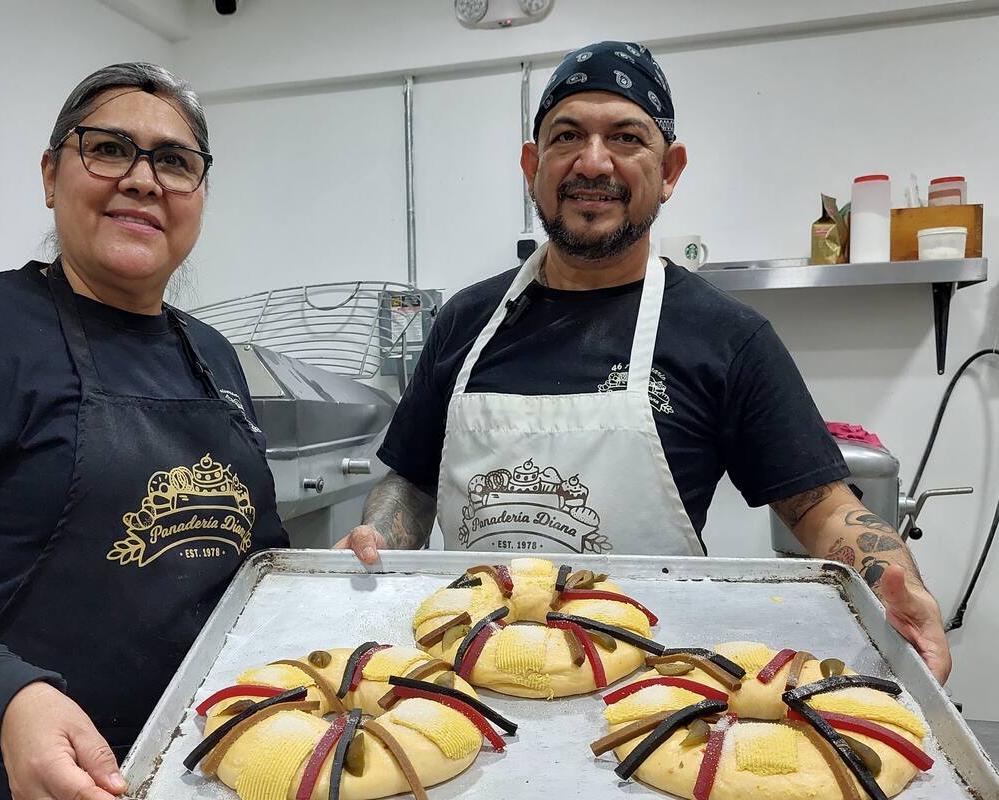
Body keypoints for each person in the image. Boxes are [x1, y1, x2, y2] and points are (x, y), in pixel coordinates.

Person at [335, 41, 950, 683]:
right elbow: (411, 479)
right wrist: (379, 539)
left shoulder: (725, 336)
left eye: (626, 138)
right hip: (471, 676)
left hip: (657, 692)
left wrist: (898, 585)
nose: (592, 162)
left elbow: (820, 506)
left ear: (670, 169)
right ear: (532, 164)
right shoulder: (466, 320)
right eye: (566, 135)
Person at [0, 63, 288, 799]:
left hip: (185, 768)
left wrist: (326, 576)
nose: (143, 179)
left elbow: (256, 562)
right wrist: (8, 699)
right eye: (108, 148)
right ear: (51, 173)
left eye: (174, 161)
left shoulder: (215, 358)